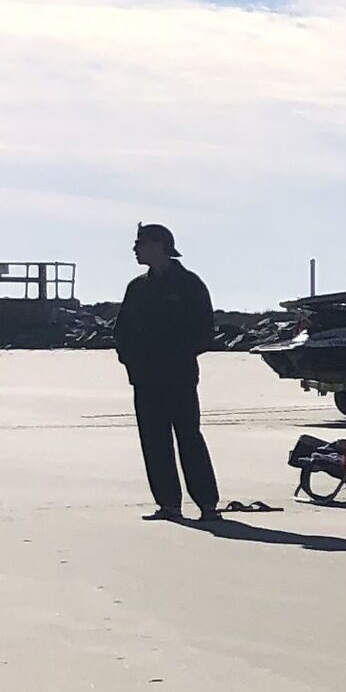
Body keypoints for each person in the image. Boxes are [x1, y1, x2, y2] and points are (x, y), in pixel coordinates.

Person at [114, 221, 222, 522]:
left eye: (141, 243)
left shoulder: (189, 285)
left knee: (189, 437)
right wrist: (129, 360)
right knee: (154, 440)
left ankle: (207, 504)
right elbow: (121, 330)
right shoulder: (137, 287)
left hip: (179, 376)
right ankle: (168, 504)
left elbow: (204, 331)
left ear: (159, 246)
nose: (135, 249)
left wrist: (178, 356)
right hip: (145, 378)